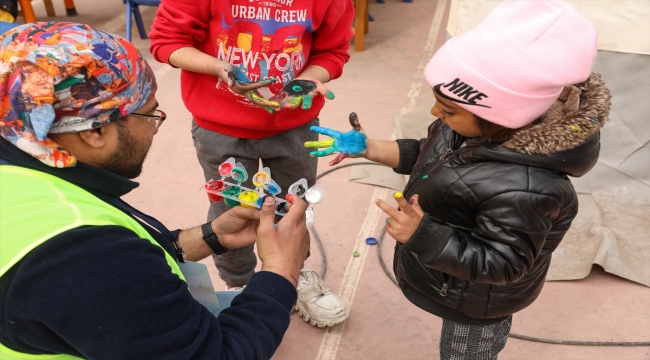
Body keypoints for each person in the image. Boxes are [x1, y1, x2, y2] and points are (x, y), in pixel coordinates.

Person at [306, 1, 611, 358]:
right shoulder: (474, 130)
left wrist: (423, 235)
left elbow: (504, 264)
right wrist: (371, 148)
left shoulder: (531, 189)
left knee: (465, 352)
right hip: (451, 277)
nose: (436, 113)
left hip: (478, 298)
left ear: (499, 114)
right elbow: (434, 153)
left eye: (447, 109)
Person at [0, 22, 311, 359]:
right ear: (95, 131)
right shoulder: (89, 257)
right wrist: (282, 269)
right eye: (149, 116)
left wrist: (210, 236)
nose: (155, 130)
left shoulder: (24, 161)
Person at [148, 0, 354, 328]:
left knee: (293, 207)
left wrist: (308, 79)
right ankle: (240, 284)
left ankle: (291, 276)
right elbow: (167, 42)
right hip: (220, 128)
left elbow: (333, 51)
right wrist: (220, 68)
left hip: (294, 126)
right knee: (232, 211)